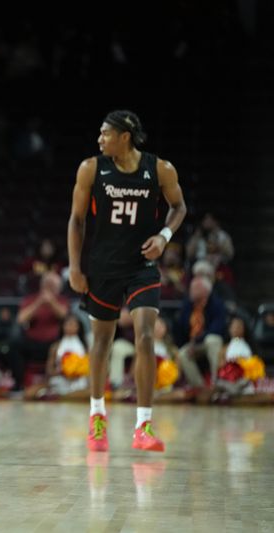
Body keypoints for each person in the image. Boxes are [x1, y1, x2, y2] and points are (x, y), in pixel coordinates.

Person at [67, 109, 187, 453]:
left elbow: (179, 207)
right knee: (101, 342)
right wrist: (75, 267)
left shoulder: (160, 169)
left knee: (145, 336)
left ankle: (143, 425)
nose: (99, 139)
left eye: (106, 133)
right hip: (103, 267)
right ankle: (97, 417)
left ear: (125, 136)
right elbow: (77, 221)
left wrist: (164, 236)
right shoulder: (91, 168)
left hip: (141, 266)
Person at [174, 275, 228, 389]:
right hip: (193, 345)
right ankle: (199, 388)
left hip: (209, 342)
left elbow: (216, 329)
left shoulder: (217, 304)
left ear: (205, 291)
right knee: (183, 354)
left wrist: (196, 341)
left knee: (212, 340)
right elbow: (180, 328)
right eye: (191, 287)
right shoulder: (187, 305)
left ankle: (217, 384)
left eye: (195, 288)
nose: (191, 290)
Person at [23, 314, 90, 400]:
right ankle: (62, 396)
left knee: (91, 393)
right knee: (29, 393)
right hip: (60, 380)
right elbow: (49, 369)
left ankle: (60, 397)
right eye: (68, 324)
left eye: (74, 325)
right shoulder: (56, 346)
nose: (70, 327)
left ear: (79, 327)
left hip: (78, 382)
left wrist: (77, 373)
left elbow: (89, 369)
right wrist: (62, 372)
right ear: (62, 326)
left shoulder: (85, 347)